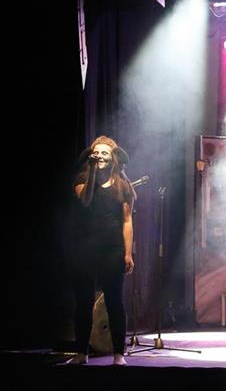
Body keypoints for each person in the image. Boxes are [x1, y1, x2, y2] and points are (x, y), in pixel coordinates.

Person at [69, 136, 135, 366]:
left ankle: (118, 354)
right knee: (84, 301)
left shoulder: (123, 186)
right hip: (85, 248)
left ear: (113, 159)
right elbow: (86, 200)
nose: (99, 156)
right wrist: (91, 172)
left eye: (105, 153)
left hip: (113, 249)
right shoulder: (82, 180)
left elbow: (127, 221)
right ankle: (81, 353)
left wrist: (128, 253)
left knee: (114, 301)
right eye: (96, 152)